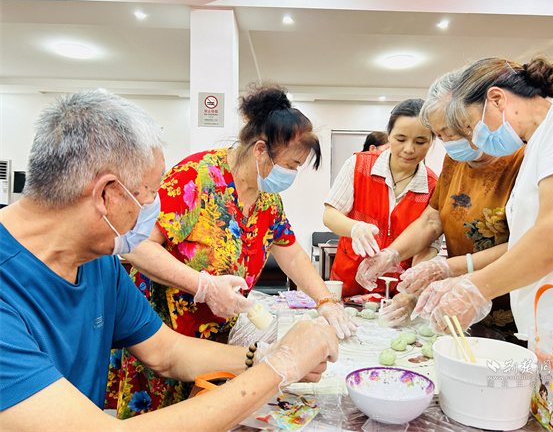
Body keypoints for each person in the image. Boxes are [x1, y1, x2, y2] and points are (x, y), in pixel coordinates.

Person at [0, 90, 338, 432]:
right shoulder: (9, 287)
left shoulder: (98, 262)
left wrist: (263, 357)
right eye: (149, 192)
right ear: (107, 194)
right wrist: (277, 369)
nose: (155, 207)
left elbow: (168, 352)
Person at [109, 82, 356, 418]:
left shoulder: (268, 199)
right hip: (162, 336)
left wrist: (326, 300)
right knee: (163, 420)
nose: (293, 174)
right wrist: (203, 286)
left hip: (218, 342)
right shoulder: (195, 180)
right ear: (259, 151)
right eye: (292, 164)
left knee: (209, 416)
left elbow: (292, 254)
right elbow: (137, 246)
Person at [414, 56, 553, 339]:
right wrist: (459, 277)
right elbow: (525, 241)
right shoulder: (536, 143)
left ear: (497, 99)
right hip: (549, 321)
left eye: (469, 126)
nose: (472, 139)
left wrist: (474, 288)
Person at [374, 71, 525, 343]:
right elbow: (432, 221)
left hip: (511, 302)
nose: (447, 142)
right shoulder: (455, 161)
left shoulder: (522, 160)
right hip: (459, 303)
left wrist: (448, 267)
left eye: (451, 132)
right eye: (440, 136)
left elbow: (528, 242)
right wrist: (391, 253)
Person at [323, 99, 438, 297]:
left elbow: (429, 244)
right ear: (389, 135)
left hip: (396, 290)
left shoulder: (433, 185)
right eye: (400, 139)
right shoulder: (359, 165)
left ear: (432, 141)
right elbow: (330, 214)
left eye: (420, 142)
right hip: (348, 283)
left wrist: (413, 286)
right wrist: (355, 228)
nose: (409, 149)